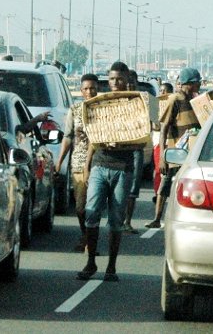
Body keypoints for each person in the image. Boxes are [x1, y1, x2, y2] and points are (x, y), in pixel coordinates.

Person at [77, 61, 136, 282]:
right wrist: (87, 164)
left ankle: (111, 267)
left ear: (127, 79)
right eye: (111, 79)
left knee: (115, 220)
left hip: (122, 168)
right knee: (91, 212)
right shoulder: (100, 103)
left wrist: (120, 144)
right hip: (99, 166)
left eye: (119, 79)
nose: (115, 83)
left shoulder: (134, 103)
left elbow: (141, 141)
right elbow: (94, 136)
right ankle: (91, 262)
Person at [146, 68, 202, 229]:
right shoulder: (175, 100)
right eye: (196, 82)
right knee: (164, 187)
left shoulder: (195, 100)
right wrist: (164, 157)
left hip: (191, 154)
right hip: (175, 151)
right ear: (189, 84)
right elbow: (164, 129)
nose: (199, 84)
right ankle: (157, 218)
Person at [55, 74, 98, 252]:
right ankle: (86, 235)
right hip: (79, 163)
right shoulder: (75, 110)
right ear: (81, 91)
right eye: (86, 89)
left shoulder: (104, 109)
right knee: (80, 208)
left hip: (99, 163)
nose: (89, 91)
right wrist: (59, 162)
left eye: (92, 88)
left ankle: (91, 242)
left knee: (94, 207)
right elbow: (68, 137)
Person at [119, 69, 144, 235]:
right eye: (126, 82)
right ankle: (117, 220)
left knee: (133, 188)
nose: (129, 85)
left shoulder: (143, 101)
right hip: (118, 149)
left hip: (136, 149)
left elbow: (155, 123)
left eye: (132, 82)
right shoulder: (114, 101)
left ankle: (127, 221)